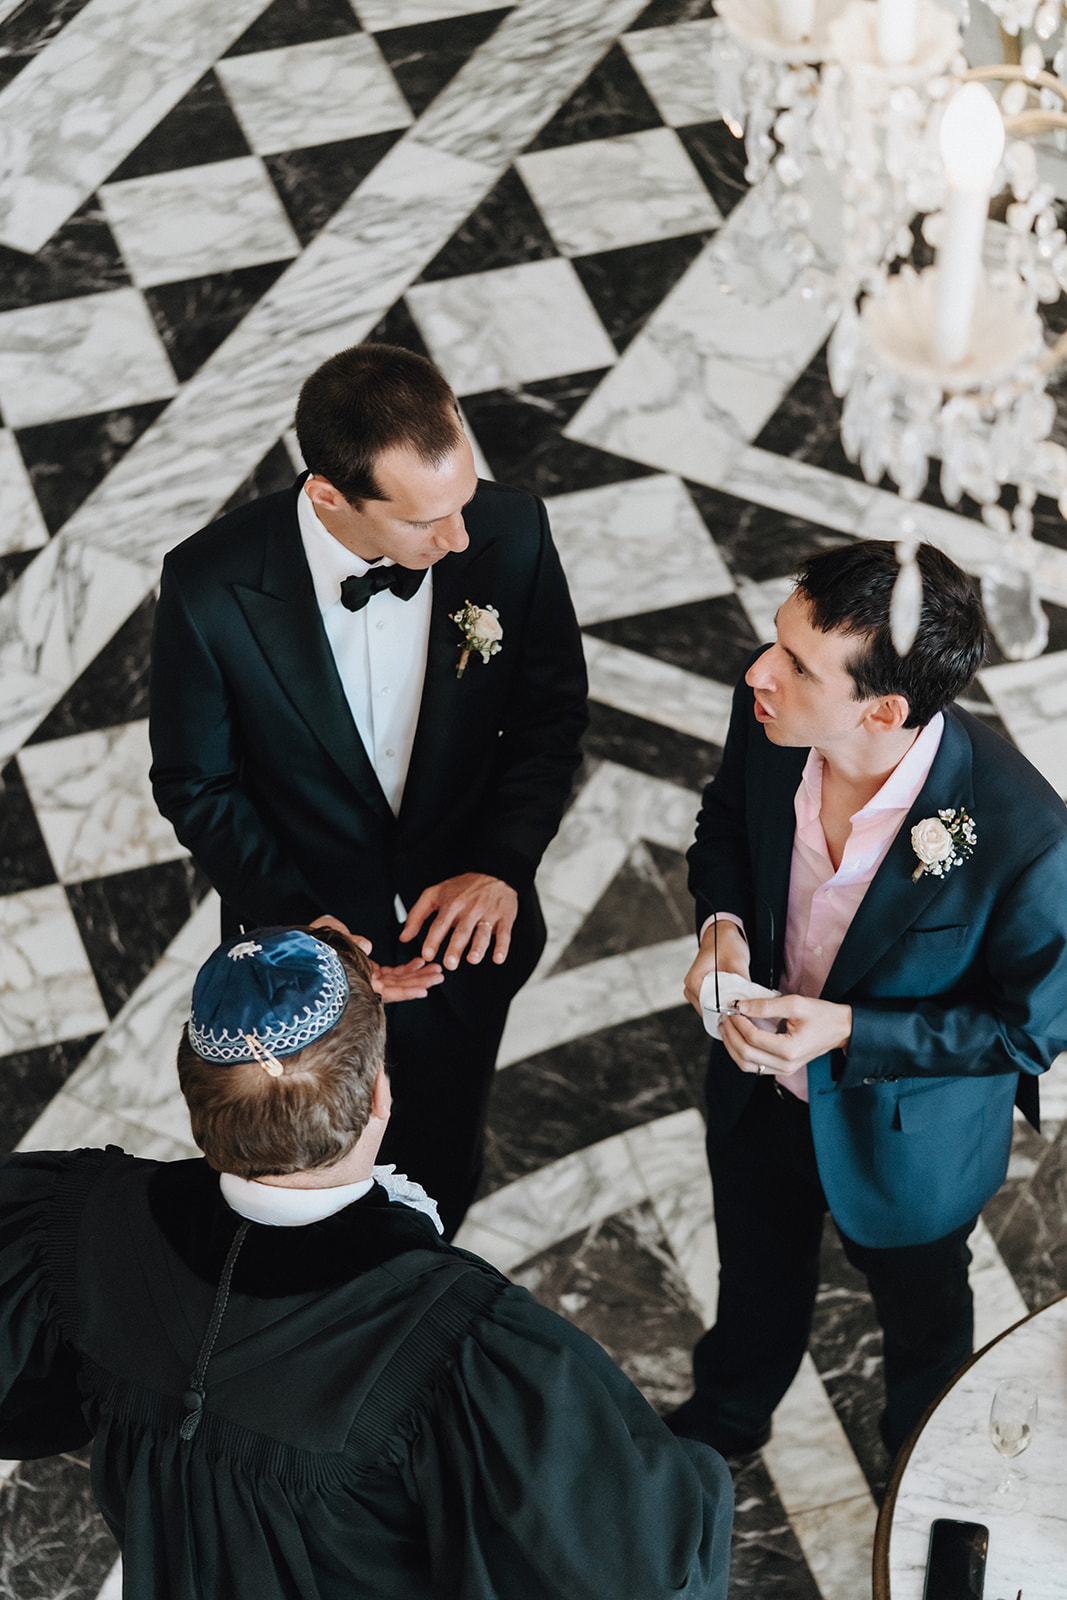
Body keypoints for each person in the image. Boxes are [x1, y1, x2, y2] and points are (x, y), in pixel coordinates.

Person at [0, 928, 734, 1600]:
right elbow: (647, 1568)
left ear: (198, 1104)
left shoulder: (78, 1219)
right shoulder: (459, 1344)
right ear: (380, 1094)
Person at [149, 343, 587, 1237]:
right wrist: (304, 924)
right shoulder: (210, 586)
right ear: (328, 496)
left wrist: (503, 863)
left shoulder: (511, 531)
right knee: (298, 1173)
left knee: (447, 1140)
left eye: (463, 499)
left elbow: (549, 718)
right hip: (299, 958)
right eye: (427, 520)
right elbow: (197, 783)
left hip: (464, 943)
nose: (458, 538)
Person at [672, 539, 1067, 1458]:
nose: (757, 671)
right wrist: (722, 925)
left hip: (908, 1145)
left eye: (796, 664)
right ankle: (726, 1418)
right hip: (755, 1092)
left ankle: (918, 1461)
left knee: (924, 1327)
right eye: (776, 641)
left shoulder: (1026, 836)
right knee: (752, 1283)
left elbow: (1027, 1032)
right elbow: (725, 821)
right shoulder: (772, 716)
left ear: (884, 710)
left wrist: (849, 1029)